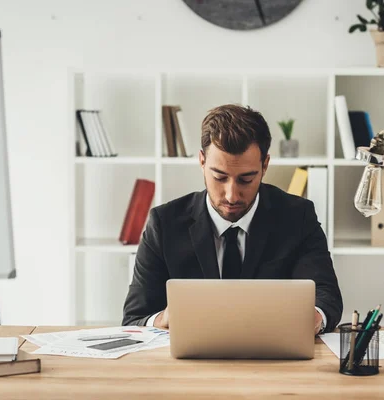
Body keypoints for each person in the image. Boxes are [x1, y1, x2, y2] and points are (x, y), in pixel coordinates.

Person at [122, 104, 343, 335]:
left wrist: (315, 316)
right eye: (220, 177)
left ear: (265, 165)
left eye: (246, 179)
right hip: (189, 366)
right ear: (201, 162)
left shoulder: (298, 217)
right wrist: (164, 318)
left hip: (273, 361)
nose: (231, 195)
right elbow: (134, 319)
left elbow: (327, 297)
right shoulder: (164, 223)